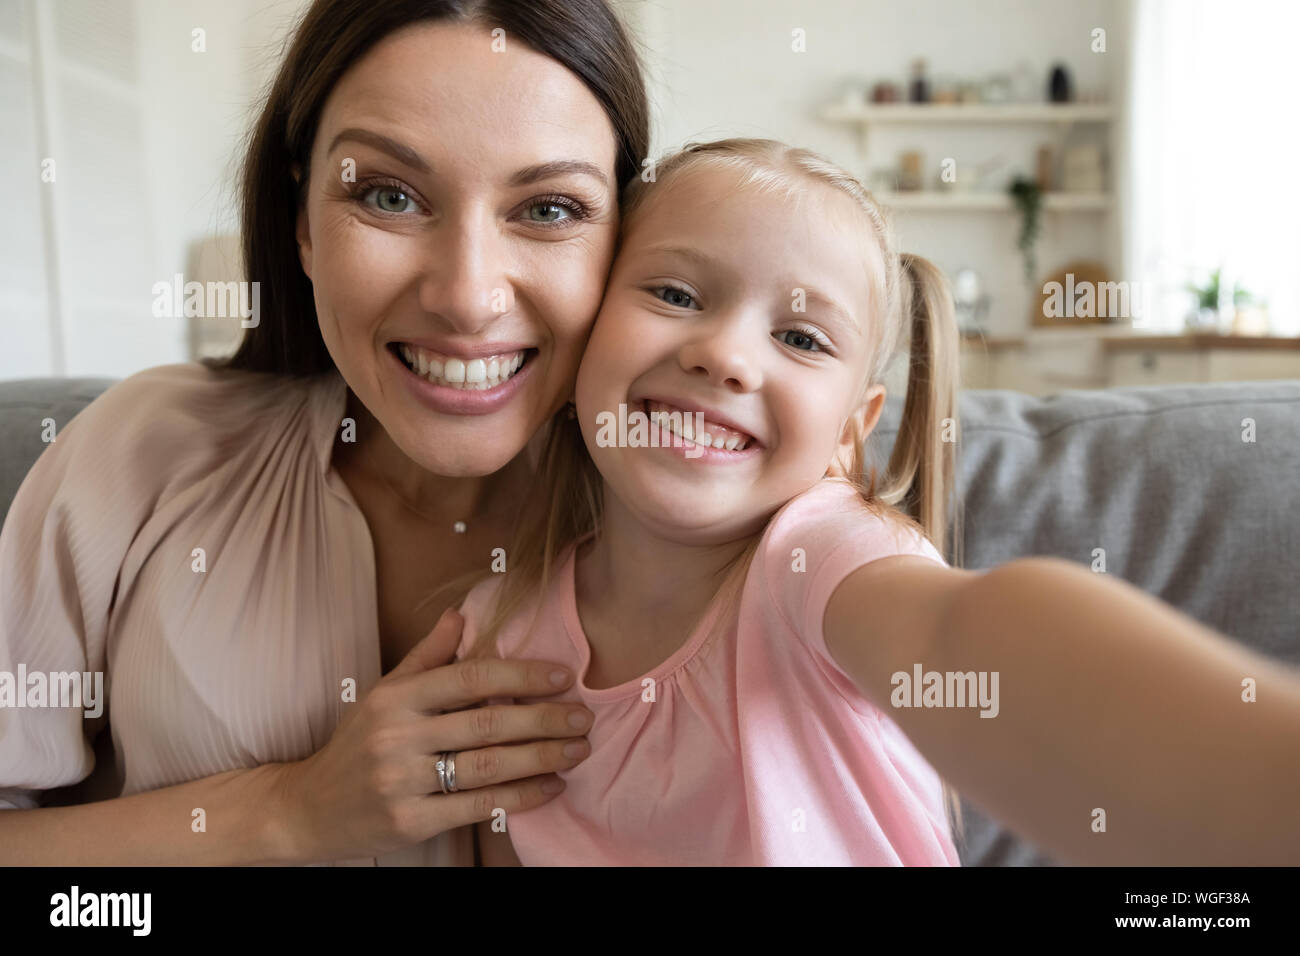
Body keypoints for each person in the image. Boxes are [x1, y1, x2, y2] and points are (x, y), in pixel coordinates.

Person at [460, 139, 1300, 866]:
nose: (725, 357)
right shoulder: (496, 628)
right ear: (580, 344)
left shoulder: (818, 557)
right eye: (676, 295)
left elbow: (961, 636)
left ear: (847, 434)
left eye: (800, 339)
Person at [0, 0, 650, 866]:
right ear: (303, 221)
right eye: (389, 195)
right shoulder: (143, 451)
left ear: (626, 237)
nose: (468, 295)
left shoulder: (710, 533)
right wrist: (286, 812)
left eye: (550, 209)